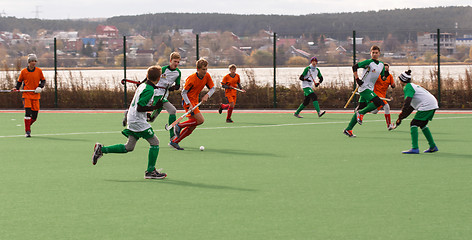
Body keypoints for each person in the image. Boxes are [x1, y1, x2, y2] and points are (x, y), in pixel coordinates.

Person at [92, 65, 167, 179]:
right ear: (158, 79)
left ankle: (101, 150)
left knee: (129, 147)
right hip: (137, 121)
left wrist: (146, 113)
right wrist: (155, 107)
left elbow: (139, 105)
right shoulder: (149, 90)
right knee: (155, 142)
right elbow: (140, 107)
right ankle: (150, 171)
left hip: (133, 118)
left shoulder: (143, 85)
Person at [122, 52, 181, 142]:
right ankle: (172, 136)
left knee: (151, 119)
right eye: (175, 61)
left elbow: (178, 86)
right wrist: (142, 83)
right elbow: (151, 77)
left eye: (178, 62)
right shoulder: (163, 69)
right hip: (156, 94)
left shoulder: (178, 73)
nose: (176, 64)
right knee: (172, 110)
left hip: (164, 95)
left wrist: (173, 88)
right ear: (170, 61)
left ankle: (129, 114)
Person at [169, 58, 216, 150]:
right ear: (198, 69)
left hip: (195, 101)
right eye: (203, 69)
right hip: (188, 101)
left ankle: (174, 142)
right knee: (201, 120)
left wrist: (207, 95)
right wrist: (189, 104)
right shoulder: (191, 78)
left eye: (206, 69)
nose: (205, 71)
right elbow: (183, 92)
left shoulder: (207, 76)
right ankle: (179, 125)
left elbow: (213, 88)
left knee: (192, 126)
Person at [343, 45, 389, 137]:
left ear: (379, 53)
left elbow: (383, 78)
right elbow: (354, 67)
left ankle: (348, 129)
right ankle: (361, 113)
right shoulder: (368, 62)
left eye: (376, 53)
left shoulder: (381, 65)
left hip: (370, 88)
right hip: (364, 87)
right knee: (378, 102)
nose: (375, 54)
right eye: (373, 53)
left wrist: (386, 75)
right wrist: (357, 79)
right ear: (370, 53)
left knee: (361, 107)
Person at [395, 70, 439, 154]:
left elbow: (407, 102)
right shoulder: (413, 86)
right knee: (422, 125)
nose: (399, 81)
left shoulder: (408, 87)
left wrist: (401, 115)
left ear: (402, 80)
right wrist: (401, 117)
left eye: (399, 79)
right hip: (432, 103)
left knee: (413, 124)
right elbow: (411, 107)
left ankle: (415, 148)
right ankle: (433, 146)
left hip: (427, 105)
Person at [12, 54, 46, 138]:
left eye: (35, 61)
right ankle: (27, 131)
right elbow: (19, 82)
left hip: (35, 95)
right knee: (27, 113)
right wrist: (16, 88)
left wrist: (40, 87)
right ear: (29, 62)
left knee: (34, 116)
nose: (33, 63)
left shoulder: (39, 71)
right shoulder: (24, 71)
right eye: (32, 61)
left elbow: (43, 81)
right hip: (26, 95)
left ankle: (27, 125)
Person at [371, 63, 395, 130]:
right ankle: (389, 125)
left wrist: (393, 85)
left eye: (387, 69)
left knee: (374, 111)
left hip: (383, 96)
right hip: (376, 94)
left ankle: (362, 110)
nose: (386, 71)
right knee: (386, 107)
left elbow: (393, 85)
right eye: (385, 69)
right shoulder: (377, 75)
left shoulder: (390, 76)